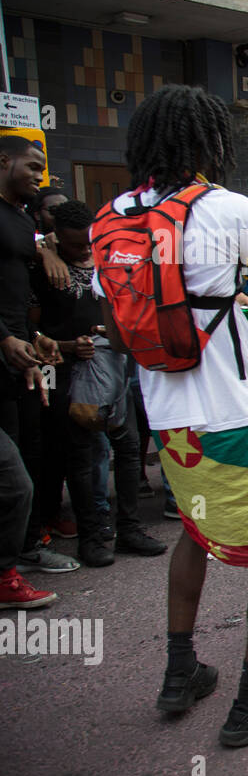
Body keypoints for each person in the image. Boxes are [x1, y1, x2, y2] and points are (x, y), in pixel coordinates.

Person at [92, 85, 248, 746]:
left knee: (196, 530)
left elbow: (113, 329)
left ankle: (179, 670)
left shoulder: (115, 217)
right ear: (210, 143)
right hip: (235, 417)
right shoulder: (224, 209)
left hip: (168, 420)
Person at [32, 200, 167, 567]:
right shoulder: (43, 267)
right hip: (70, 370)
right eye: (73, 245)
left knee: (127, 449)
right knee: (83, 454)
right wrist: (64, 344)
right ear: (56, 237)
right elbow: (30, 327)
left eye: (86, 244)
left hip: (115, 362)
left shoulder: (108, 261)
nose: (82, 251)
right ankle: (91, 536)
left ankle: (129, 529)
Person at [0, 135, 78, 577]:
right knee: (12, 472)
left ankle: (27, 547)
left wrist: (34, 334)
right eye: (32, 165)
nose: (39, 175)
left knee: (33, 446)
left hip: (23, 355)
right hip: (7, 349)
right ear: (3, 160)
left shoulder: (18, 217)